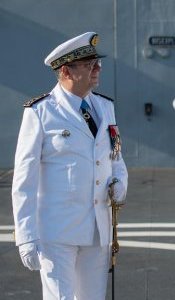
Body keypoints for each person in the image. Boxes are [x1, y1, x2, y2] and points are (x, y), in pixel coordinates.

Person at [12, 32, 128, 300]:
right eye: (90, 65)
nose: (98, 69)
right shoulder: (41, 111)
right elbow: (24, 179)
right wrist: (26, 236)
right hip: (57, 231)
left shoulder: (104, 107)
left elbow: (116, 158)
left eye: (97, 63)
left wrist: (120, 183)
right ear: (66, 70)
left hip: (98, 228)